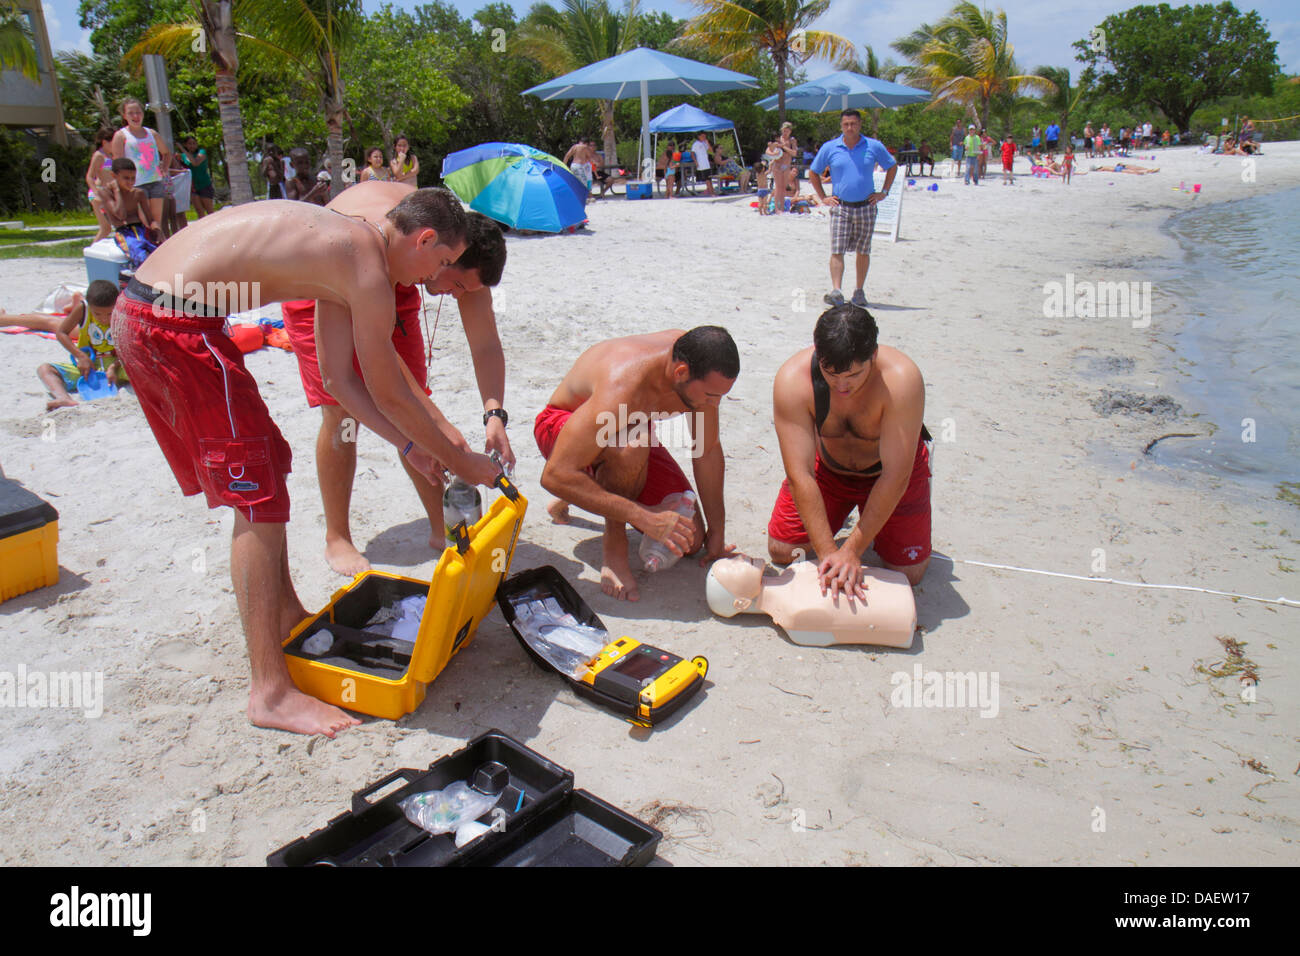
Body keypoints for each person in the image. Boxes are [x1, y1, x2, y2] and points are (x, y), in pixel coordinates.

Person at [110, 186, 498, 737]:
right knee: (257, 496)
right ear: (425, 238)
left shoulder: (352, 253)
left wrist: (411, 446)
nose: (432, 281)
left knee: (269, 464)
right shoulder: (365, 264)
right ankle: (269, 692)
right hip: (170, 327)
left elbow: (341, 379)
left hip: (164, 315)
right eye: (439, 263)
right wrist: (461, 459)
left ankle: (287, 612)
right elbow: (390, 392)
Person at [281, 205, 512, 576]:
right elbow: (383, 384)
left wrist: (494, 414)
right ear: (439, 250)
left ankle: (443, 525)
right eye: (455, 285)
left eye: (463, 291)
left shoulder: (468, 259)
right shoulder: (408, 241)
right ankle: (337, 535)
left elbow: (485, 345)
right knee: (342, 412)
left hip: (399, 280)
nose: (455, 296)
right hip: (334, 278)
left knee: (414, 406)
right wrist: (451, 448)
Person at [536, 327, 739, 601]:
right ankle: (614, 546)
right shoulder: (624, 387)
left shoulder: (696, 362)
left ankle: (583, 491)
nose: (714, 404)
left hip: (624, 434)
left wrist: (717, 529)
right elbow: (555, 475)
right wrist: (643, 516)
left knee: (689, 540)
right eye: (710, 396)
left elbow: (707, 448)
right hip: (563, 430)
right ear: (680, 373)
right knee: (633, 443)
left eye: (720, 396)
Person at [768, 304, 931, 593]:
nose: (841, 385)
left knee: (909, 572)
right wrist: (830, 553)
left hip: (890, 471)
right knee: (783, 551)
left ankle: (871, 522)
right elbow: (800, 474)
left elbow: (896, 475)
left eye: (853, 375)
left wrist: (853, 551)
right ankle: (847, 518)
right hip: (830, 470)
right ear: (817, 351)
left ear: (874, 355)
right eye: (830, 373)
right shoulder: (792, 380)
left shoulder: (902, 379)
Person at [808, 110, 897, 310]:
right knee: (837, 249)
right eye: (846, 124)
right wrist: (823, 197)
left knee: (863, 250)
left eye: (854, 124)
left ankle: (859, 290)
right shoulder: (830, 147)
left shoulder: (873, 146)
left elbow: (892, 166)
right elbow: (813, 172)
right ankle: (837, 291)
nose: (850, 128)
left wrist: (884, 192)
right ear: (841, 126)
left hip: (866, 206)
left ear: (860, 124)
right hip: (841, 207)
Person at [36, 281, 126, 411]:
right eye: (97, 314)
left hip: (118, 364)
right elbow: (61, 333)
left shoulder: (123, 312)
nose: (104, 319)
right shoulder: (83, 309)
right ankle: (63, 397)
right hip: (89, 367)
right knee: (45, 369)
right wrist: (80, 356)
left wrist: (114, 366)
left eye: (109, 314)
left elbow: (131, 347)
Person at [110, 97, 170, 242]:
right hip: (135, 185)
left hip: (155, 181)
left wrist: (165, 168)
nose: (135, 116)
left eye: (138, 112)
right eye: (131, 113)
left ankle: (157, 249)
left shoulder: (152, 134)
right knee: (144, 223)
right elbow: (118, 163)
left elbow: (166, 153)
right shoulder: (121, 136)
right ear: (124, 116)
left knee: (157, 222)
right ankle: (146, 250)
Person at [102, 157, 160, 269]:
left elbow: (150, 219)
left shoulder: (138, 193)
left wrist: (157, 230)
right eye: (126, 178)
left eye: (133, 178)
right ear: (114, 176)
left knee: (160, 252)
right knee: (140, 255)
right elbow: (120, 215)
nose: (130, 182)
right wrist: (117, 191)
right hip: (124, 233)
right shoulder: (107, 194)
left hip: (141, 230)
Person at [85, 128, 116, 241]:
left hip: (108, 194)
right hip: (98, 193)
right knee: (105, 228)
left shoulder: (112, 155)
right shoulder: (99, 155)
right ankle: (91, 251)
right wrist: (97, 193)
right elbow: (89, 176)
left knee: (108, 228)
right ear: (105, 142)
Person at [179, 135, 215, 219]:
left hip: (204, 184)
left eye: (194, 143)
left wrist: (183, 150)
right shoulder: (183, 156)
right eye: (189, 144)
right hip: (193, 187)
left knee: (210, 211)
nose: (192, 145)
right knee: (199, 212)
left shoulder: (202, 152)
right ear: (186, 145)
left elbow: (195, 163)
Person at [691, 132, 716, 197]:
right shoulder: (696, 144)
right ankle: (711, 193)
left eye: (705, 136)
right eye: (702, 136)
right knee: (707, 179)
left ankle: (712, 192)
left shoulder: (704, 143)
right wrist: (696, 161)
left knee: (709, 178)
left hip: (706, 163)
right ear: (699, 136)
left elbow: (711, 150)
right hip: (701, 163)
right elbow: (692, 153)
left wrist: (707, 143)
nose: (704, 137)